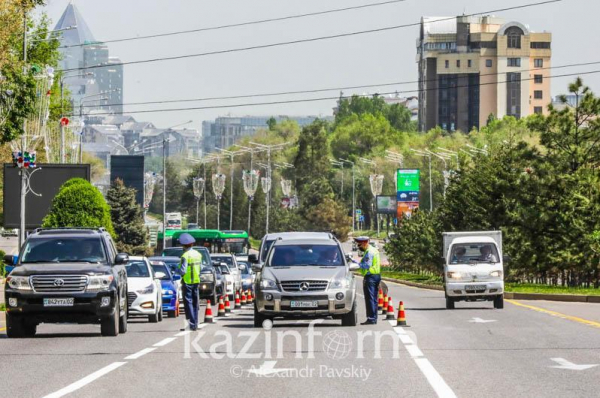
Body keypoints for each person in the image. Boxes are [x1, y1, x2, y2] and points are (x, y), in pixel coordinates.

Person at [177, 233, 202, 331]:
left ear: (183, 245)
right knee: (195, 303)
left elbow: (183, 271)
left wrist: (176, 269)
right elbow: (201, 268)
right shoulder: (198, 254)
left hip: (187, 282)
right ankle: (195, 323)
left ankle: (191, 324)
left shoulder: (185, 256)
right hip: (196, 281)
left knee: (189, 303)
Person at [354, 236, 381, 325]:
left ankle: (371, 318)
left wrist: (357, 264)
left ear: (365, 243)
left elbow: (367, 265)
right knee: (374, 298)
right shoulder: (373, 250)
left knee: (370, 298)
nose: (358, 246)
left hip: (370, 277)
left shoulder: (369, 252)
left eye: (360, 244)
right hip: (376, 275)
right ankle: (374, 317)